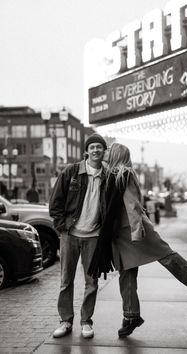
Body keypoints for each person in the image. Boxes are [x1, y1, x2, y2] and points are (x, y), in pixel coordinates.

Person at [88, 143, 187, 338]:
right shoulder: (109, 176)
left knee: (166, 256)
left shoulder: (124, 175)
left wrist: (137, 231)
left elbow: (133, 205)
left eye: (108, 150)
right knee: (126, 274)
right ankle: (131, 316)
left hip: (135, 229)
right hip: (120, 236)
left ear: (116, 155)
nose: (104, 152)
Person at [49, 133, 107, 339]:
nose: (96, 150)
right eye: (92, 147)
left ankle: (86, 322)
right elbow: (55, 202)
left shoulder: (108, 176)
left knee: (92, 282)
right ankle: (65, 321)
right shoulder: (72, 172)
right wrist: (62, 227)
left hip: (94, 236)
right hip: (70, 235)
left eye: (99, 147)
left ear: (104, 151)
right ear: (86, 151)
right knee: (66, 280)